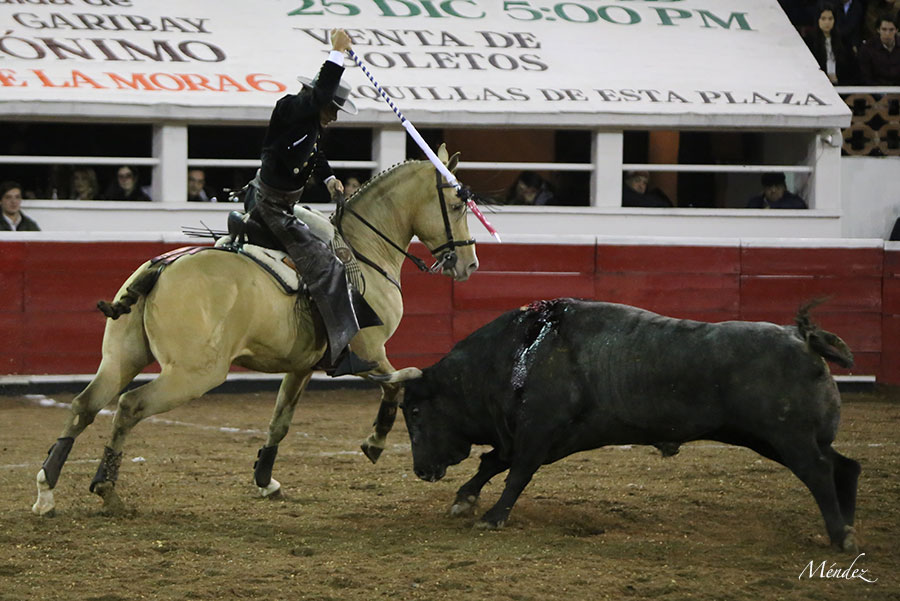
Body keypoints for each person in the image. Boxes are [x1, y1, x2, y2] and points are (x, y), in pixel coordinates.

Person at [242, 28, 380, 375]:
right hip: (271, 207)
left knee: (329, 242)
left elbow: (314, 155)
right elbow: (318, 98)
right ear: (319, 99)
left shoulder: (311, 123)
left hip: (282, 204)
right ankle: (333, 354)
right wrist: (337, 54)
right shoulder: (293, 108)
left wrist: (330, 177)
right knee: (328, 266)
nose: (333, 117)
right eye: (332, 108)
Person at [804, 4, 859, 84]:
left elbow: (852, 70)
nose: (827, 22)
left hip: (842, 86)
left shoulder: (844, 41)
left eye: (830, 19)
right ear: (818, 20)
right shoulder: (809, 42)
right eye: (823, 19)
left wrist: (839, 80)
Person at [858, 15, 900, 84]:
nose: (887, 33)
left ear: (896, 30)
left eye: (891, 30)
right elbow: (865, 76)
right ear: (878, 30)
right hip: (875, 90)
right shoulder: (867, 48)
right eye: (884, 29)